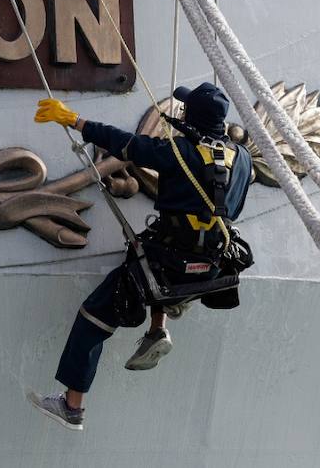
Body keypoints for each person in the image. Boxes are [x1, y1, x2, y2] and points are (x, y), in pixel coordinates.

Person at [28, 82, 254, 430]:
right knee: (149, 253)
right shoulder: (243, 158)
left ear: (190, 116)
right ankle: (157, 329)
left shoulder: (178, 152)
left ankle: (72, 407)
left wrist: (72, 119)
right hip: (211, 269)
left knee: (94, 317)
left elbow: (125, 144)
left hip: (166, 268)